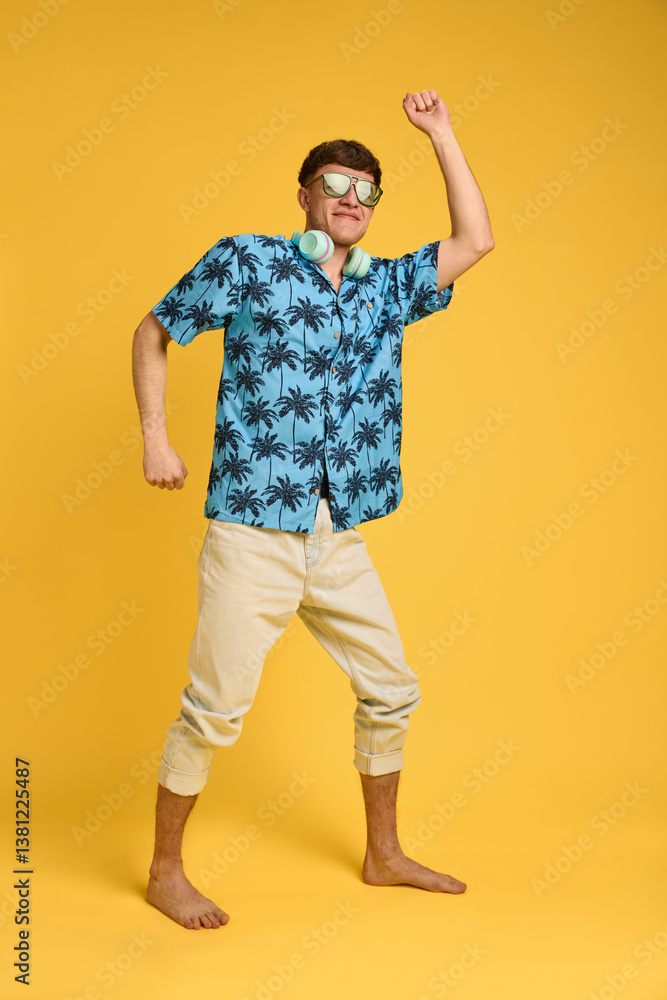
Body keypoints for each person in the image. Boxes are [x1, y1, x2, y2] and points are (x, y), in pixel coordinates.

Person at [132, 88, 494, 929]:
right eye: (334, 183)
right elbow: (154, 330)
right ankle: (163, 872)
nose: (351, 198)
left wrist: (440, 134)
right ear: (303, 195)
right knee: (213, 711)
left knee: (392, 690)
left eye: (366, 189)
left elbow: (475, 240)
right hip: (251, 531)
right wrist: (155, 438)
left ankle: (383, 854)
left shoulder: (385, 288)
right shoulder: (247, 261)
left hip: (336, 536)